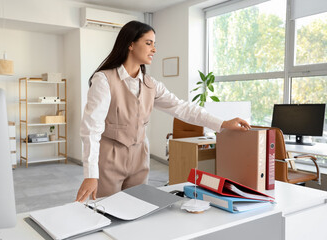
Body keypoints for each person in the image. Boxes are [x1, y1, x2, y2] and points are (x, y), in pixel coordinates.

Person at [76, 21, 250, 202]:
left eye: (154, 44)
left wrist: (222, 123)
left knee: (136, 208)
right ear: (130, 44)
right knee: (106, 210)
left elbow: (183, 108)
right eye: (148, 43)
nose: (154, 49)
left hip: (139, 157)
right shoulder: (104, 79)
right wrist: (91, 173)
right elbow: (91, 128)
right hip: (109, 158)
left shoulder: (152, 84)